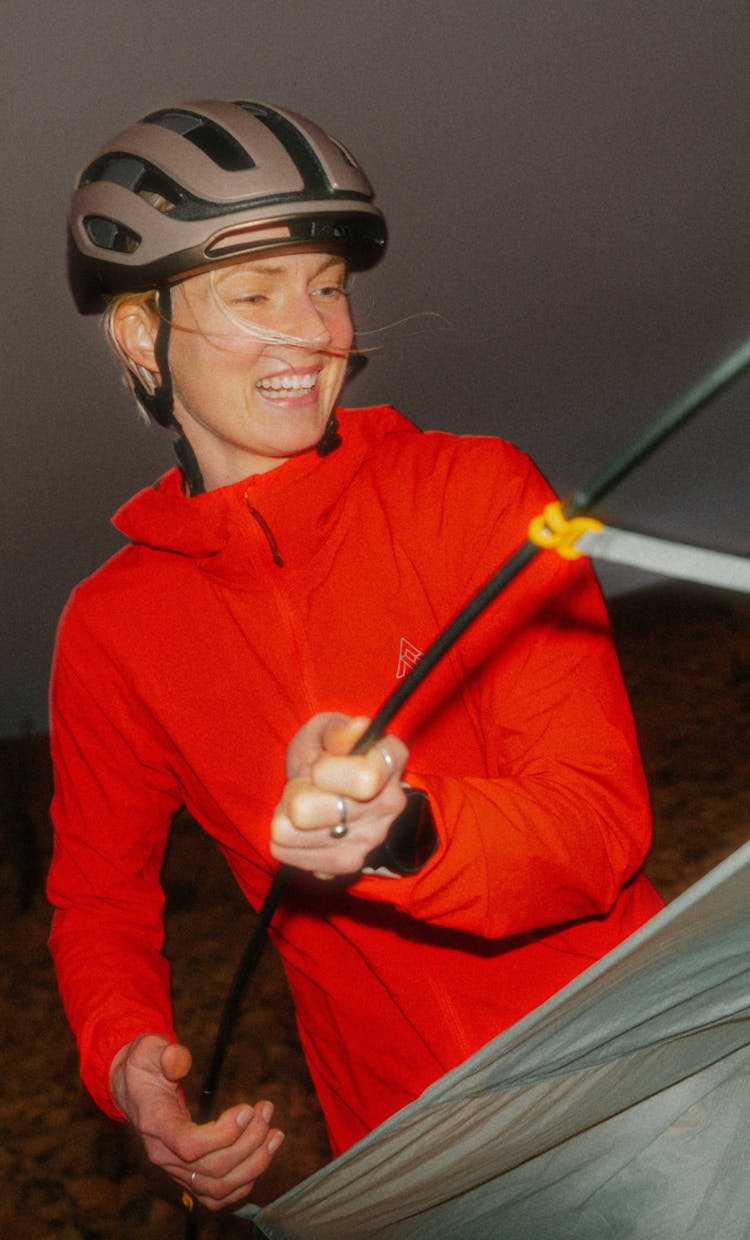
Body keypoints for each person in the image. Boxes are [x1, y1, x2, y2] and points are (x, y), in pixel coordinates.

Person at [48, 98, 663, 1214]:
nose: (315, 330)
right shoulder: (112, 626)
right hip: (412, 1154)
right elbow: (98, 899)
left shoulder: (475, 493)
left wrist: (405, 831)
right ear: (140, 334)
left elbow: (599, 821)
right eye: (253, 292)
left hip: (643, 1071)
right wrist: (130, 1064)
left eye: (326, 286)